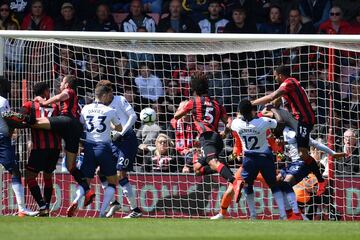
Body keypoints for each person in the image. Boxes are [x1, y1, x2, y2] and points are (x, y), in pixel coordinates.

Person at [251, 65, 328, 196]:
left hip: (305, 120)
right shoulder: (288, 88)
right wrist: (269, 108)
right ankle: (261, 124)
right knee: (271, 113)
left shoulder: (289, 83)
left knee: (303, 153)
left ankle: (320, 180)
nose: (275, 78)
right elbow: (275, 101)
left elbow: (272, 97)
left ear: (280, 76)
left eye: (275, 76)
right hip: (297, 120)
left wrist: (251, 103)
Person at [174, 71, 242, 202]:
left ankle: (235, 182)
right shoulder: (217, 103)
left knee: (212, 162)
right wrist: (226, 132)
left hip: (206, 138)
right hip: (216, 138)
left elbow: (176, 116)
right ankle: (224, 165)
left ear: (194, 88)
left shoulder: (193, 102)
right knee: (197, 169)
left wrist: (184, 107)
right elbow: (229, 121)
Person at [29, 75, 95, 206]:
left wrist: (43, 102)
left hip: (66, 121)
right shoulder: (74, 98)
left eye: (62, 82)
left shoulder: (69, 91)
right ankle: (87, 190)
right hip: (75, 129)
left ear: (67, 84)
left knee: (33, 122)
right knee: (71, 167)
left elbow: (60, 97)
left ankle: (18, 118)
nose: (60, 85)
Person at [67, 83, 122, 217]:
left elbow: (81, 124)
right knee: (112, 181)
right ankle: (102, 212)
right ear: (103, 95)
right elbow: (119, 128)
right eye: (108, 95)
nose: (109, 98)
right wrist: (110, 126)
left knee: (86, 181)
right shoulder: (110, 110)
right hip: (103, 148)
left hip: (89, 147)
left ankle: (75, 200)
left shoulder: (86, 108)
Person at [231, 99, 287, 219]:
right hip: (264, 157)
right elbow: (281, 123)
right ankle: (283, 214)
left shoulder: (236, 124)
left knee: (247, 185)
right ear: (252, 110)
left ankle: (253, 215)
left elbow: (230, 127)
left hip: (249, 158)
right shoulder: (263, 122)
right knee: (273, 185)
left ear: (240, 112)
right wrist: (273, 109)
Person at [95, 80, 142, 218]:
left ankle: (135, 211)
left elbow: (133, 116)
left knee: (121, 174)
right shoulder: (99, 105)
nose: (110, 94)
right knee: (101, 172)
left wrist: (121, 132)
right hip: (113, 141)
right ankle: (114, 203)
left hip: (127, 140)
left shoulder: (120, 100)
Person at [21, 82, 61, 217]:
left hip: (39, 148)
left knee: (29, 176)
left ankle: (42, 206)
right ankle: (47, 207)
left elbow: (20, 116)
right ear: (45, 92)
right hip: (55, 148)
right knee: (48, 176)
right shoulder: (56, 105)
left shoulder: (29, 105)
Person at [0, 79, 37, 217]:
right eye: (7, 83)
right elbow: (10, 120)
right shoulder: (2, 101)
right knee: (15, 171)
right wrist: (28, 122)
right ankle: (22, 209)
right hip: (2, 141)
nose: (10, 85)